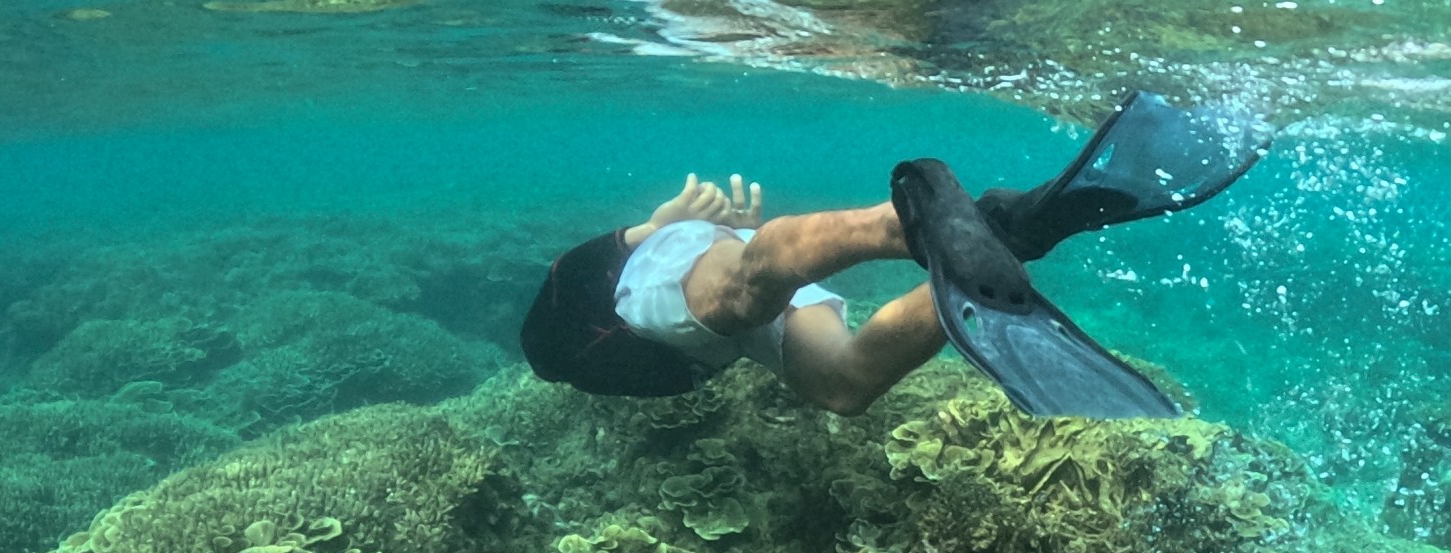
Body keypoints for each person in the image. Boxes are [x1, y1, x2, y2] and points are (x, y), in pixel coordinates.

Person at [521, 93, 1268, 421]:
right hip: (708, 278)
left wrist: (660, 225)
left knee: (735, 295)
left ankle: (902, 221)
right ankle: (1006, 231)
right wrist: (711, 238)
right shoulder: (583, 339)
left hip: (662, 277)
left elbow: (593, 261)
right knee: (843, 386)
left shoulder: (566, 330)